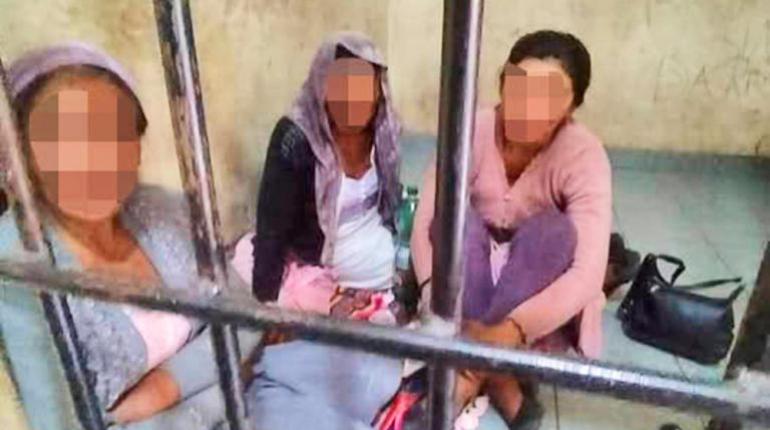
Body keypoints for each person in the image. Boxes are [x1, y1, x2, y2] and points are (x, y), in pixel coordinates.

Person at [0, 43, 259, 430]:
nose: (94, 160)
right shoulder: (17, 263)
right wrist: (222, 381)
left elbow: (246, 318)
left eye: (114, 133)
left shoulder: (160, 208)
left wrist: (163, 389)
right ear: (21, 155)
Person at [410, 30, 612, 428]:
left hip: (533, 285)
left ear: (572, 105)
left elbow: (588, 273)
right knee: (454, 220)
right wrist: (435, 296)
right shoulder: (471, 127)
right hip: (468, 279)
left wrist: (514, 328)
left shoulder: (584, 154)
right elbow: (425, 224)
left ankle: (465, 380)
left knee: (555, 233)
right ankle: (503, 383)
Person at [241, 31, 404, 429]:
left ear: (378, 91)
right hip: (319, 285)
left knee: (379, 374)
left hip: (378, 293)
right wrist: (267, 310)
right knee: (350, 374)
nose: (352, 99)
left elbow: (391, 207)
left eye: (363, 86)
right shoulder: (297, 138)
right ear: (322, 85)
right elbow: (271, 228)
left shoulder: (385, 132)